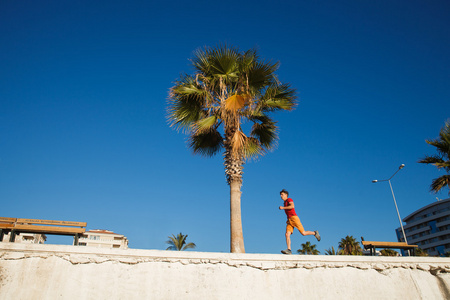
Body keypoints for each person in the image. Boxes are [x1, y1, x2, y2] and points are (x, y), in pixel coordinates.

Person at [278, 189, 320, 254]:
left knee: (303, 233)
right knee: (287, 234)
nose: (281, 196)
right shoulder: (284, 202)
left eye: (282, 194)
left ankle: (315, 233)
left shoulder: (289, 199)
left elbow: (292, 206)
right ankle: (289, 250)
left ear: (286, 195)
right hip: (289, 220)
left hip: (294, 218)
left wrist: (283, 208)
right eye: (280, 195)